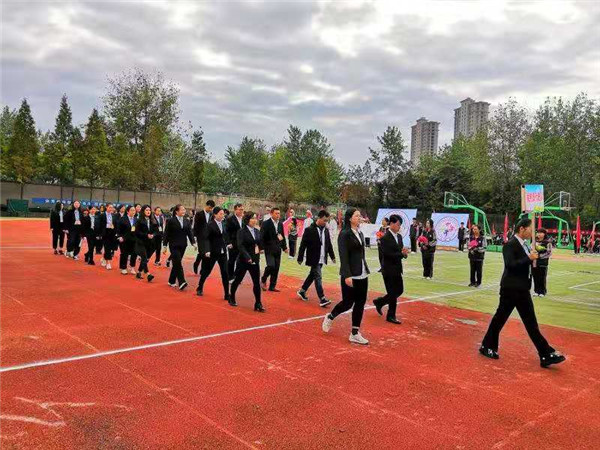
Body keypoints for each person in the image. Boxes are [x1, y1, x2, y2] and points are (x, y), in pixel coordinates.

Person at [480, 218, 566, 368]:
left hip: (522, 289)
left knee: (531, 323)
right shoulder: (510, 245)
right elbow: (510, 265)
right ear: (522, 229)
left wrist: (534, 258)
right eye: (530, 229)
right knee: (500, 318)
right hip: (510, 289)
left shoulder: (525, 245)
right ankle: (487, 346)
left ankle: (545, 354)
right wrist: (528, 258)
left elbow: (526, 264)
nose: (532, 232)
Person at [322, 208, 370, 345]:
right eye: (357, 215)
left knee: (360, 302)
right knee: (348, 303)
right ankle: (331, 316)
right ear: (350, 218)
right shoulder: (344, 234)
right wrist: (347, 275)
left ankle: (355, 333)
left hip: (362, 273)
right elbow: (343, 256)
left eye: (360, 215)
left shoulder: (359, 233)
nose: (359, 217)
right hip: (350, 274)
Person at [372, 214, 408, 324]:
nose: (399, 227)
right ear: (391, 224)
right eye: (397, 224)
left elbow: (399, 252)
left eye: (400, 225)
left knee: (399, 290)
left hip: (397, 268)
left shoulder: (400, 237)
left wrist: (404, 254)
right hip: (388, 269)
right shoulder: (385, 238)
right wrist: (401, 254)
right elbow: (387, 255)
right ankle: (391, 315)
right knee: (392, 293)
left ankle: (380, 302)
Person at [297, 210, 336, 307]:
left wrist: (332, 256)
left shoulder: (326, 230)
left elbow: (329, 244)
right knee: (318, 277)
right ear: (319, 218)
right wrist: (300, 257)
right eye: (324, 220)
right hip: (313, 258)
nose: (325, 222)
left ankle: (302, 291)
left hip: (322, 258)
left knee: (312, 275)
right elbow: (303, 245)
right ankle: (322, 299)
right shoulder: (309, 230)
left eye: (327, 221)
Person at [230, 211, 265, 311]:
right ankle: (231, 296)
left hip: (255, 261)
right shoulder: (241, 231)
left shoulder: (257, 231)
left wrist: (261, 249)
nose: (254, 220)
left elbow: (259, 243)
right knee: (238, 280)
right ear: (247, 220)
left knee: (256, 283)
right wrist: (247, 257)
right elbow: (240, 246)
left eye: (255, 218)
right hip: (243, 261)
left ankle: (258, 303)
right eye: (252, 218)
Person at [196, 206, 231, 300]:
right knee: (207, 271)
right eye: (220, 214)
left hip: (222, 252)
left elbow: (225, 235)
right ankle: (200, 287)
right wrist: (207, 250)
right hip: (212, 252)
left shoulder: (224, 224)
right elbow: (206, 239)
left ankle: (227, 293)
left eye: (223, 214)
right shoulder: (210, 225)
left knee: (225, 273)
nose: (223, 215)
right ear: (215, 215)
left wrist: (228, 243)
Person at [163, 204, 195, 290]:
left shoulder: (186, 221)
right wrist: (165, 245)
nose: (184, 211)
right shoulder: (171, 221)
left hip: (183, 245)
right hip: (173, 245)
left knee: (176, 263)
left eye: (184, 210)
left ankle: (171, 280)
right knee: (178, 263)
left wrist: (193, 243)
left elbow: (190, 233)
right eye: (182, 210)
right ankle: (182, 281)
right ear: (177, 211)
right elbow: (166, 233)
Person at [260, 207, 288, 292]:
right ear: (271, 214)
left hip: (277, 249)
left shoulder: (280, 224)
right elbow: (261, 237)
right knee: (271, 265)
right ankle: (263, 279)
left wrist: (285, 247)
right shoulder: (266, 223)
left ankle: (272, 286)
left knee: (276, 268)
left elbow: (282, 236)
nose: (278, 215)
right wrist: (261, 248)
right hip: (268, 249)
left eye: (279, 213)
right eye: (276, 213)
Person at [133, 205, 157, 282]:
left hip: (150, 243)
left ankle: (139, 272)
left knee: (145, 258)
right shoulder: (139, 220)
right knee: (144, 257)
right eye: (146, 210)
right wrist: (146, 235)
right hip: (140, 242)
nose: (148, 211)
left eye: (149, 210)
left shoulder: (153, 220)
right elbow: (136, 232)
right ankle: (148, 274)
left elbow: (157, 230)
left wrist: (153, 235)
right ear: (143, 211)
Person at [193, 200, 215, 275]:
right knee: (202, 253)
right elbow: (195, 226)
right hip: (200, 237)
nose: (210, 209)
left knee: (206, 253)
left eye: (212, 208)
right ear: (206, 205)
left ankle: (202, 270)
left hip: (209, 237)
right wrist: (195, 236)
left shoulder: (212, 215)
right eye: (209, 207)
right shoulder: (199, 214)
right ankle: (196, 264)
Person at [116, 205, 138, 275]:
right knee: (124, 254)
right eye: (131, 210)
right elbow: (118, 229)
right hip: (124, 239)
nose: (133, 212)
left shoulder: (136, 219)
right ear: (128, 211)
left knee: (134, 254)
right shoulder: (122, 219)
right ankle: (123, 268)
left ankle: (132, 267)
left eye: (134, 210)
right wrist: (119, 237)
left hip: (134, 239)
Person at [226, 203, 244, 282]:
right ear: (235, 210)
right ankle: (230, 276)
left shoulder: (244, 219)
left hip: (242, 244)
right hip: (233, 243)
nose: (241, 211)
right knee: (231, 260)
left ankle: (236, 275)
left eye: (242, 209)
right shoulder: (230, 219)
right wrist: (228, 243)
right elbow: (227, 232)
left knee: (241, 261)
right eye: (240, 209)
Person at [532, 227, 552, 297]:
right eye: (538, 232)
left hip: (543, 263)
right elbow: (531, 250)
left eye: (541, 233)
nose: (539, 234)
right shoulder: (534, 242)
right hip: (534, 262)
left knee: (542, 277)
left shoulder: (547, 242)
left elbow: (549, 253)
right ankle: (536, 291)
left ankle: (542, 292)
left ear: (544, 234)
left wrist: (539, 256)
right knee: (535, 277)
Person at [99, 203, 117, 270]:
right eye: (109, 207)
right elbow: (99, 225)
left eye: (112, 207)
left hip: (112, 233)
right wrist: (99, 234)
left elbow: (116, 224)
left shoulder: (114, 215)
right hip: (105, 233)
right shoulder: (102, 215)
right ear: (106, 207)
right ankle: (108, 262)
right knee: (107, 248)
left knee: (110, 248)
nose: (111, 209)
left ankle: (104, 258)